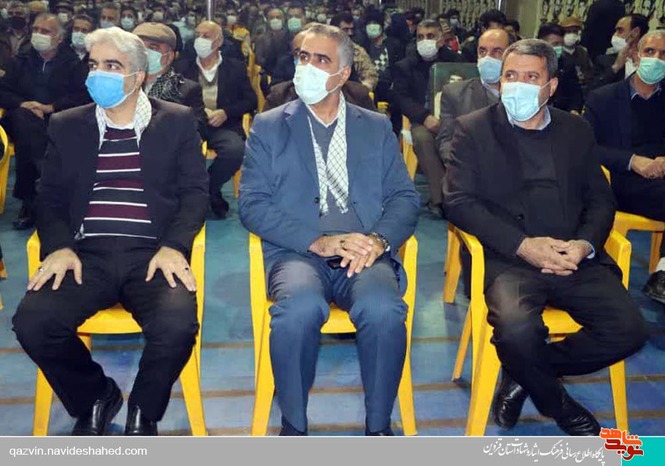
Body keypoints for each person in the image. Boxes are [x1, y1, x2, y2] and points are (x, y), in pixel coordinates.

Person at [443, 38, 647, 436]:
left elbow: (600, 199)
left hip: (572, 257)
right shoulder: (474, 129)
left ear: (551, 86)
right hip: (510, 259)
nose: (517, 85)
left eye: (531, 77)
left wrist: (584, 245)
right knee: (517, 330)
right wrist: (523, 245)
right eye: (510, 76)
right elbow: (458, 202)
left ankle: (524, 371)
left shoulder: (575, 129)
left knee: (630, 330)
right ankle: (559, 405)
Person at [12, 26, 208, 437]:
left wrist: (174, 246)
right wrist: (59, 246)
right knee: (33, 323)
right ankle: (95, 396)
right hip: (86, 255)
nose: (99, 73)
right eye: (95, 64)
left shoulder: (175, 121)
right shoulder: (67, 124)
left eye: (112, 66)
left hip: (152, 255)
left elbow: (194, 193)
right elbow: (49, 196)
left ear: (138, 76)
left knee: (176, 326)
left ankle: (144, 409)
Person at [238, 23, 419, 436]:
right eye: (303, 57)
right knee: (299, 310)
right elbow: (252, 204)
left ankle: (378, 429)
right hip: (298, 252)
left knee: (383, 310)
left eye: (321, 60)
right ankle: (294, 426)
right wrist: (316, 241)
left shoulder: (375, 126)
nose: (308, 67)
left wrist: (378, 241)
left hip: (362, 250)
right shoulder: (269, 126)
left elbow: (405, 198)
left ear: (343, 74)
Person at [585, 30, 665, 305]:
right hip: (620, 180)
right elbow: (589, 147)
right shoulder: (603, 98)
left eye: (664, 55)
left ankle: (662, 272)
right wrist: (633, 161)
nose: (656, 59)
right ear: (635, 55)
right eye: (650, 52)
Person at [0, 12, 89, 230]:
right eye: (36, 30)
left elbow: (81, 96)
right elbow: (3, 91)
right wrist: (24, 104)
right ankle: (44, 179)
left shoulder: (73, 64)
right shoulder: (20, 60)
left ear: (59, 38)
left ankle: (30, 200)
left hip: (56, 118)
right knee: (26, 122)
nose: (38, 34)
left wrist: (50, 107)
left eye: (45, 31)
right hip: (19, 118)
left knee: (31, 140)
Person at [175, 20, 257, 219]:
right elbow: (174, 98)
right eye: (197, 35)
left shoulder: (235, 67)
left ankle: (209, 188)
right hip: (192, 125)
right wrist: (198, 111)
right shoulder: (182, 67)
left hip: (224, 126)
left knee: (235, 150)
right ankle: (199, 195)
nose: (200, 40)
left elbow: (251, 100)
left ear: (219, 41)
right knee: (179, 151)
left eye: (206, 36)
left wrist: (226, 112)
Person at [392, 19, 462, 219]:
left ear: (441, 39)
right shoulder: (405, 66)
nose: (425, 41)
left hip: (454, 117)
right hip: (422, 119)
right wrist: (424, 117)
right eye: (420, 37)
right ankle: (441, 199)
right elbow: (400, 98)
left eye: (430, 36)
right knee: (423, 139)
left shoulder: (457, 62)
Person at [436, 28, 510, 165]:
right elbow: (446, 143)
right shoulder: (455, 94)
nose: (488, 57)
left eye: (497, 51)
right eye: (482, 51)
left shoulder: (524, 94)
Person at [133, 22, 206, 136]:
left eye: (153, 48)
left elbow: (195, 128)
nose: (145, 53)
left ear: (169, 56)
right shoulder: (123, 84)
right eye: (140, 47)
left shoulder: (187, 90)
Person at [592, 14, 649, 90]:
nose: (615, 35)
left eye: (620, 31)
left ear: (635, 32)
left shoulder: (651, 62)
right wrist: (616, 67)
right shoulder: (604, 61)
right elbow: (593, 90)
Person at [537, 23, 583, 114]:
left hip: (560, 112)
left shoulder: (567, 63)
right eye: (555, 44)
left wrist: (574, 109)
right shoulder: (529, 62)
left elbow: (575, 92)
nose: (559, 47)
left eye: (561, 44)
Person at [331, 12, 378, 91]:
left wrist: (361, 90)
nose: (350, 33)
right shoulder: (323, 49)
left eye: (351, 29)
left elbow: (371, 75)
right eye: (346, 30)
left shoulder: (358, 51)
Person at [559, 16, 594, 90]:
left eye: (575, 31)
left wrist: (584, 76)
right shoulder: (558, 51)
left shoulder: (582, 51)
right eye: (568, 32)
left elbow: (590, 72)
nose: (571, 35)